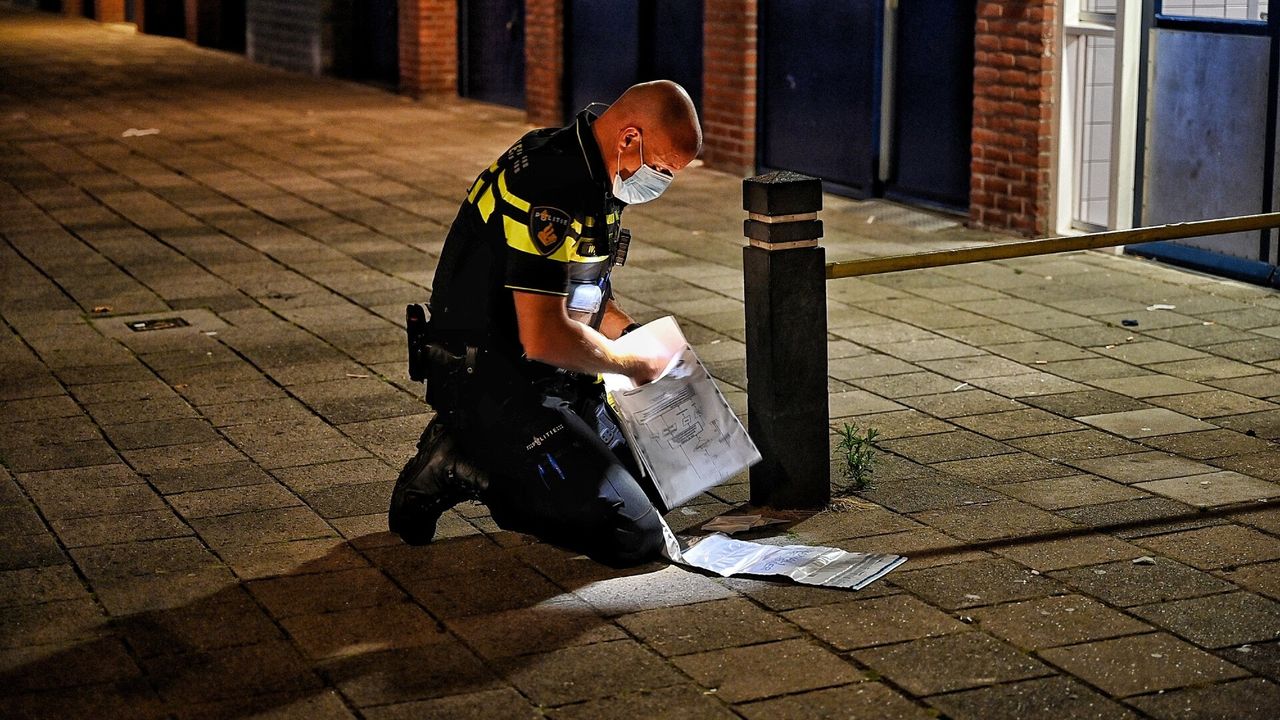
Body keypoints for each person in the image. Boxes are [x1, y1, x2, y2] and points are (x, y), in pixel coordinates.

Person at [389, 80, 702, 566]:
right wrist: (630, 364)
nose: (660, 182)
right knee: (629, 533)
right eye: (660, 168)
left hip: (552, 372)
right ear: (629, 139)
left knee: (657, 498)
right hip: (490, 374)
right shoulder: (549, 185)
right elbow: (544, 335)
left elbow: (586, 293)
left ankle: (496, 452)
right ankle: (463, 460)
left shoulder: (600, 175)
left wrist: (639, 337)